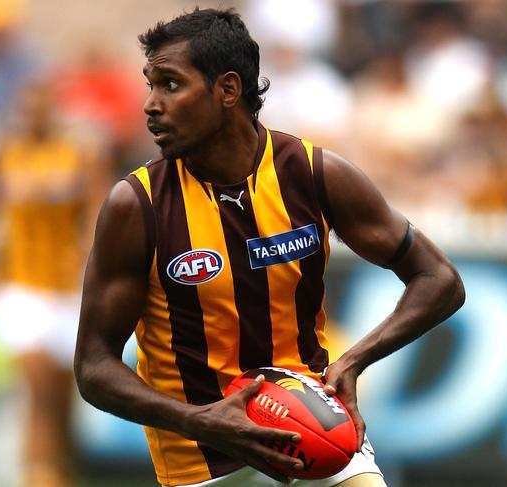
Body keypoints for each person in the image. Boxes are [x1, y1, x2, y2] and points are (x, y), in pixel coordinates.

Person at [74, 8, 465, 487]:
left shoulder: (313, 173)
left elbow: (440, 281)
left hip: (314, 439)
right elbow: (94, 367)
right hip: (204, 462)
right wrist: (199, 420)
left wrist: (351, 362)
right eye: (150, 85)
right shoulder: (136, 205)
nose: (150, 105)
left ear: (228, 90)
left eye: (170, 85)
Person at [0, 79, 104, 487]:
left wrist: (88, 259)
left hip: (65, 290)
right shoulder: (4, 154)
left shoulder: (77, 155)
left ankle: (59, 473)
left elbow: (98, 211)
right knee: (36, 390)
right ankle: (37, 476)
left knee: (62, 400)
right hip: (18, 287)